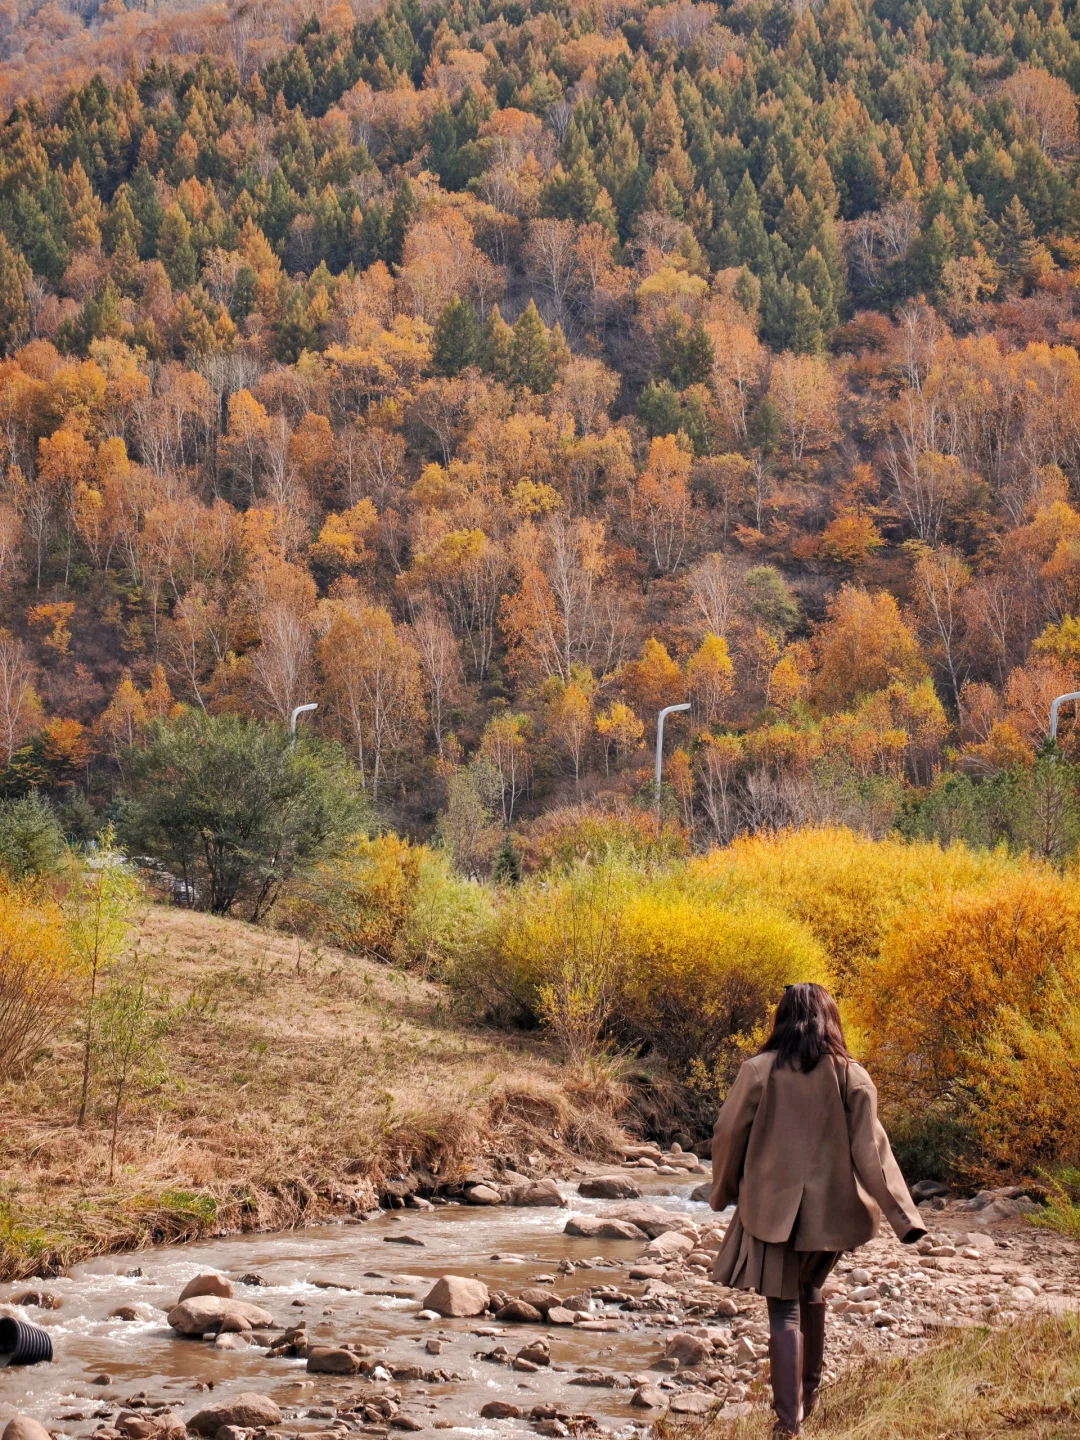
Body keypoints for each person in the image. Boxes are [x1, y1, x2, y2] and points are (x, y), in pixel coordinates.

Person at [709, 983, 926, 1437]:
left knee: (784, 1307)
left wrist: (723, 1191)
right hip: (832, 1216)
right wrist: (904, 1219)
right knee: (809, 1290)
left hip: (772, 1212)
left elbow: (728, 1133)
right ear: (831, 1020)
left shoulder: (758, 1071)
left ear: (782, 1019)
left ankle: (789, 1425)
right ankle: (808, 1400)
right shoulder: (852, 1075)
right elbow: (873, 1152)